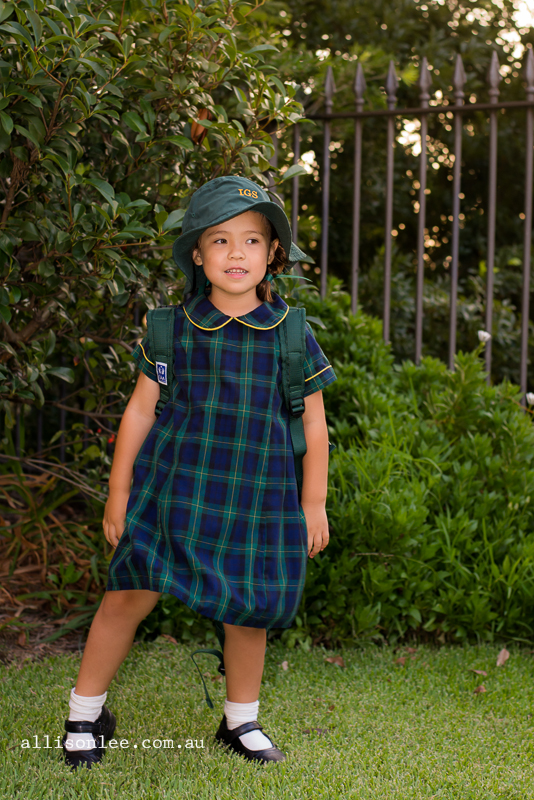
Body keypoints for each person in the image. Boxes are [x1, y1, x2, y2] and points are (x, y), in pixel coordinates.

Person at [61, 175, 337, 769]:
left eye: (251, 241)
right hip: (173, 491)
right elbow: (139, 412)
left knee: (248, 607)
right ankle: (85, 711)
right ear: (197, 253)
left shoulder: (292, 334)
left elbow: (315, 427)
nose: (236, 253)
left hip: (258, 497)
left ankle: (241, 722)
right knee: (127, 594)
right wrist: (118, 492)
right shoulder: (171, 330)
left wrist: (312, 503)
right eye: (219, 240)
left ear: (272, 254)